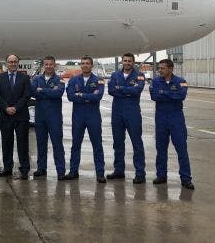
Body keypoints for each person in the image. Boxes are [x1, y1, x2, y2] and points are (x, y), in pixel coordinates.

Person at [149, 59, 194, 190]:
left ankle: (186, 178)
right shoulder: (156, 81)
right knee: (161, 148)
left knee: (181, 149)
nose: (160, 70)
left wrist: (164, 93)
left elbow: (181, 96)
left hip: (176, 118)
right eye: (159, 68)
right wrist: (170, 94)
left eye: (162, 68)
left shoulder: (181, 81)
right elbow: (155, 96)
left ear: (170, 68)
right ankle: (161, 175)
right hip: (161, 117)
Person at [65, 56, 106, 183]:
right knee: (75, 144)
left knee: (97, 145)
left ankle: (100, 173)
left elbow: (97, 97)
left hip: (93, 116)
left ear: (92, 65)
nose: (85, 65)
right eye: (83, 63)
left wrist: (81, 95)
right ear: (80, 65)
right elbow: (71, 96)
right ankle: (73, 171)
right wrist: (89, 96)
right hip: (78, 116)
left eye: (87, 63)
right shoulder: (73, 80)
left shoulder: (99, 80)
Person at [107, 53, 146, 184]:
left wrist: (120, 89)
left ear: (133, 62)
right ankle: (119, 171)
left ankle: (140, 173)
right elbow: (111, 91)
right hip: (117, 112)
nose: (127, 63)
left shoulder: (139, 75)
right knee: (118, 142)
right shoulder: (115, 75)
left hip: (132, 112)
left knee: (137, 143)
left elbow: (137, 90)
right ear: (122, 62)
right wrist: (128, 90)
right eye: (125, 60)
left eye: (130, 61)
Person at [0, 54, 32, 179]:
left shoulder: (25, 78)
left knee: (23, 143)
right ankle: (7, 168)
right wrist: (6, 107)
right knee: (7, 143)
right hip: (5, 115)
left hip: (21, 115)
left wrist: (16, 107)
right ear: (6, 64)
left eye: (15, 61)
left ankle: (24, 169)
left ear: (18, 63)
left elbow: (26, 95)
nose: (13, 64)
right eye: (10, 62)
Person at [31, 55, 66, 180]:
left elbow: (58, 93)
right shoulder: (37, 78)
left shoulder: (59, 79)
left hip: (54, 117)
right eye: (46, 64)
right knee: (41, 143)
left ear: (54, 65)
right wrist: (47, 91)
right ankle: (41, 169)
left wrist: (42, 90)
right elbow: (33, 92)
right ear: (43, 65)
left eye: (51, 64)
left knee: (57, 144)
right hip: (40, 116)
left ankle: (61, 171)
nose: (48, 66)